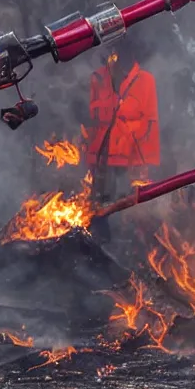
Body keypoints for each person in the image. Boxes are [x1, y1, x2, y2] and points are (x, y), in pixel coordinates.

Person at [84, 42, 160, 242]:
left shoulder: (145, 80)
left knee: (122, 209)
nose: (118, 55)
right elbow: (92, 117)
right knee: (98, 207)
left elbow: (149, 123)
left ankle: (119, 247)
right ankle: (96, 243)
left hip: (128, 158)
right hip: (100, 156)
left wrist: (141, 162)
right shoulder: (99, 77)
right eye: (116, 51)